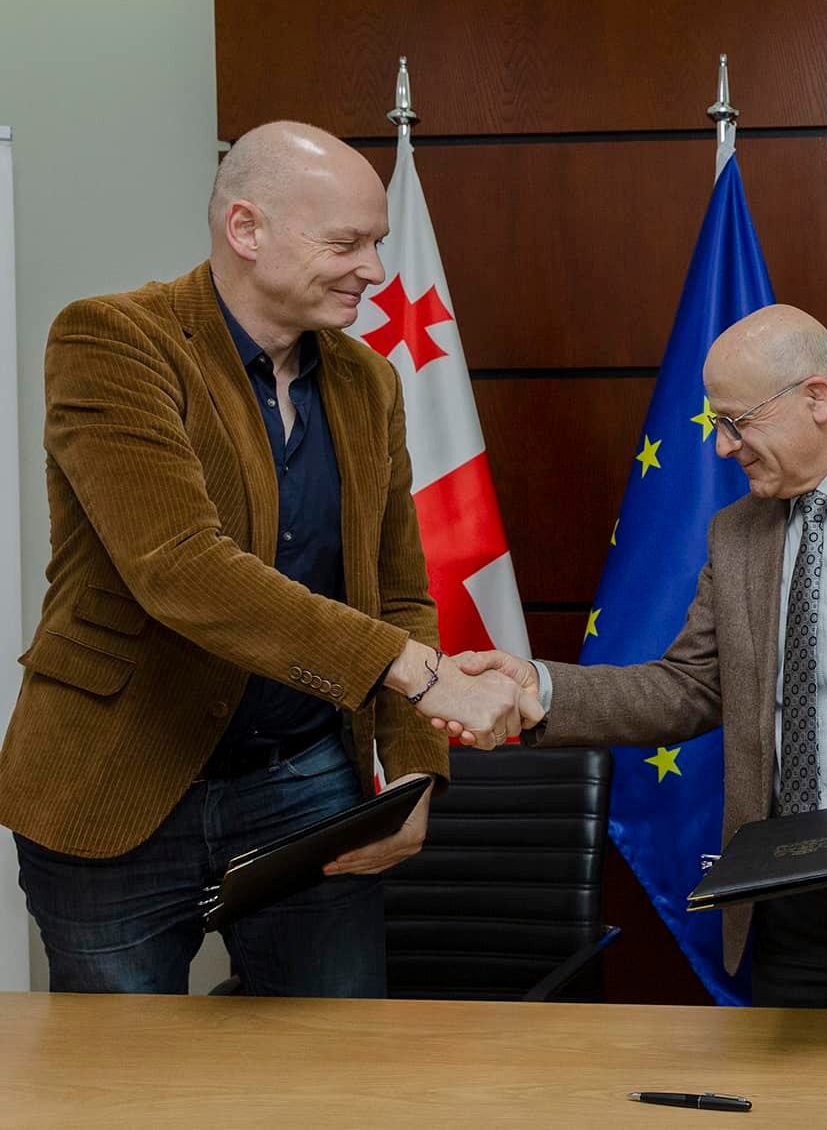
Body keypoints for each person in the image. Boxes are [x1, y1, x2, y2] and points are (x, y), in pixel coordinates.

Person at [0, 122, 531, 997]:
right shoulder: (112, 341)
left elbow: (399, 590)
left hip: (304, 783)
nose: (373, 269)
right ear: (246, 229)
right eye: (346, 243)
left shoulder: (369, 381)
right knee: (121, 1070)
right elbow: (181, 567)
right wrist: (423, 677)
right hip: (117, 775)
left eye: (378, 243)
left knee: (330, 1058)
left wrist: (411, 773)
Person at [451, 305, 827, 1011]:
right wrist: (539, 688)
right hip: (793, 909)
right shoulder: (736, 532)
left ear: (817, 398)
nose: (723, 447)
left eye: (737, 421)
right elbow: (688, 685)